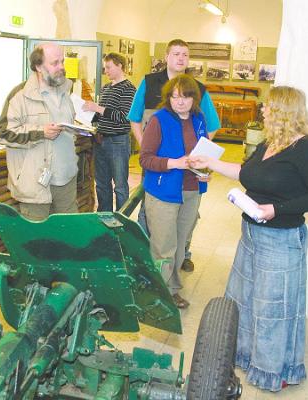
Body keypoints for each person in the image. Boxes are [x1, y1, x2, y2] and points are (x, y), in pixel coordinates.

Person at [189, 86, 308, 391]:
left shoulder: (305, 150)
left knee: (271, 308)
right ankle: (245, 355)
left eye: (268, 107)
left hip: (280, 240)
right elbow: (245, 172)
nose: (262, 110)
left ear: (283, 111)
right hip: (251, 235)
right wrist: (210, 163)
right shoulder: (269, 143)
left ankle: (271, 371)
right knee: (243, 299)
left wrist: (275, 209)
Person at [128, 38, 220, 272]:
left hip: (188, 173)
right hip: (157, 165)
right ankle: (149, 260)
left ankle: (182, 254)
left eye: (185, 55)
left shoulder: (198, 89)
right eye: (176, 54)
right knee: (152, 212)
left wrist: (199, 155)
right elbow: (135, 118)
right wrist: (147, 146)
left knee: (186, 217)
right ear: (167, 57)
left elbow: (211, 125)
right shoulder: (148, 83)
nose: (181, 58)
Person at [139, 74, 210, 309]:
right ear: (168, 98)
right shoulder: (159, 120)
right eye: (175, 96)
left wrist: (206, 170)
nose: (180, 102)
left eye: (186, 97)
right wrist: (173, 162)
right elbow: (146, 159)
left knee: (180, 245)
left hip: (191, 190)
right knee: (163, 246)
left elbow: (203, 153)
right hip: (163, 192)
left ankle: (171, 287)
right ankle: (161, 293)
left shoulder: (199, 119)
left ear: (194, 99)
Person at [0, 42, 78, 221]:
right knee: (38, 242)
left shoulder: (66, 91)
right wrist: (40, 132)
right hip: (34, 184)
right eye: (55, 63)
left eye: (62, 61)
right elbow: (3, 133)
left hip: (66, 180)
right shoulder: (20, 96)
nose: (62, 67)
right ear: (38, 66)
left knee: (71, 238)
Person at [82, 53, 136, 211]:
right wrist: (87, 117)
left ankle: (122, 221)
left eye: (108, 67)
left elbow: (124, 117)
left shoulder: (129, 89)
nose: (106, 71)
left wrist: (97, 108)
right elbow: (102, 115)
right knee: (102, 184)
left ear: (120, 66)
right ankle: (104, 218)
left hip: (118, 142)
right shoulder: (106, 88)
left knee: (120, 186)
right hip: (101, 141)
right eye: (105, 67)